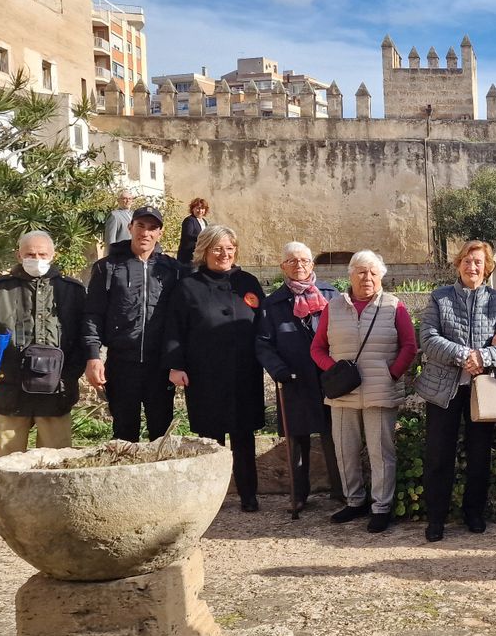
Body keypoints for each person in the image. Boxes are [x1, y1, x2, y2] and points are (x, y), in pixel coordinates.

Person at [310, 249, 417, 533]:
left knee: (381, 451)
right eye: (360, 271)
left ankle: (381, 507)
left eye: (372, 272)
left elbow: (409, 346)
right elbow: (317, 348)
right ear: (351, 275)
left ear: (381, 276)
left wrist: (391, 373)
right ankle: (354, 501)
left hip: (380, 390)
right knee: (345, 449)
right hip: (343, 391)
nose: (366, 277)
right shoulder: (333, 307)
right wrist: (334, 370)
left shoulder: (394, 306)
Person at [417, 241, 496, 542]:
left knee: (479, 455)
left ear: (487, 268)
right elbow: (428, 338)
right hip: (442, 389)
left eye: (478, 262)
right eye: (467, 261)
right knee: (438, 455)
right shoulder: (439, 298)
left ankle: (474, 513)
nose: (472, 267)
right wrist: (465, 355)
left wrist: (484, 357)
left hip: (482, 389)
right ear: (458, 264)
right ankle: (436, 518)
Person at [166, 225, 266, 512]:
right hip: (205, 373)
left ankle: (249, 495)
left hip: (244, 372)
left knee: (244, 434)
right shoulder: (188, 286)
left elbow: (263, 323)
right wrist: (175, 365)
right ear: (205, 251)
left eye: (230, 248)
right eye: (218, 248)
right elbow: (175, 330)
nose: (225, 254)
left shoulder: (248, 281)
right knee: (211, 438)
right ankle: (213, 496)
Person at [0, 230, 87, 457]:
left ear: (53, 255)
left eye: (42, 254)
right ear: (18, 255)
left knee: (56, 463)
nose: (36, 260)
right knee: (6, 464)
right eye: (30, 254)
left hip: (56, 392)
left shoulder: (71, 290)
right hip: (10, 390)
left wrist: (70, 374)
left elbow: (83, 336)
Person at [83, 206, 181, 442]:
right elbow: (92, 314)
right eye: (140, 226)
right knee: (124, 435)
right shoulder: (107, 267)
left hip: (160, 366)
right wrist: (93, 356)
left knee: (161, 435)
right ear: (130, 228)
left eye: (152, 228)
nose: (145, 233)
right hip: (122, 364)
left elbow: (181, 318)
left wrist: (180, 360)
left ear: (160, 232)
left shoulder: (173, 270)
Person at [256, 241, 339, 518]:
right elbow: (264, 343)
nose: (299, 265)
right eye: (292, 261)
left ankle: (342, 491)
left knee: (334, 435)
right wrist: (278, 369)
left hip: (328, 377)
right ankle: (299, 495)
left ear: (312, 264)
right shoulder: (272, 303)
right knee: (297, 439)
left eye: (304, 260)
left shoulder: (330, 294)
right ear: (283, 267)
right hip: (294, 378)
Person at [177, 197, 209, 268]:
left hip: (200, 255)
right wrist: (203, 238)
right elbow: (188, 235)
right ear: (192, 209)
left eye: (202, 208)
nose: (200, 211)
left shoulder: (204, 221)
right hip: (189, 256)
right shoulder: (189, 220)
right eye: (198, 208)